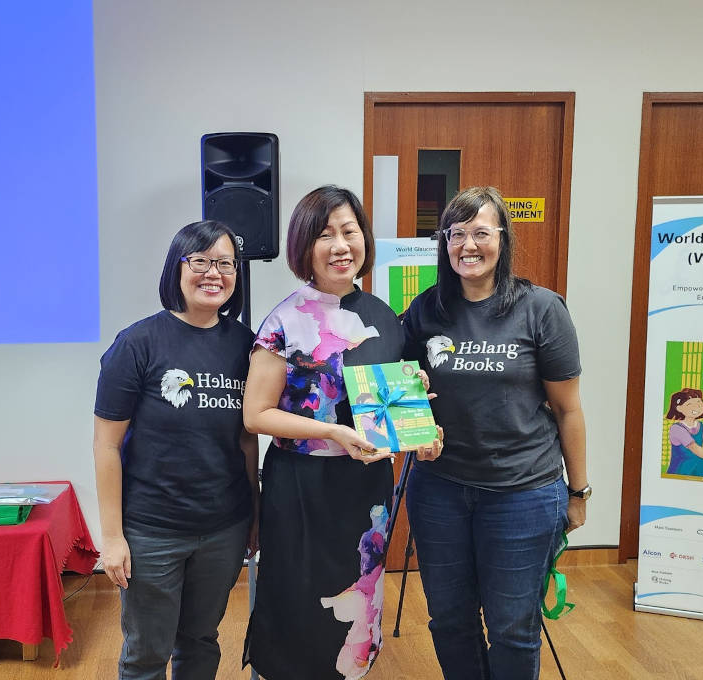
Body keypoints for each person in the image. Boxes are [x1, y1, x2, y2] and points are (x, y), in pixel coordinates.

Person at [241, 185, 441, 680]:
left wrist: (416, 407)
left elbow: (388, 400)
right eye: (325, 234)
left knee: (360, 595)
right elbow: (256, 415)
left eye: (349, 232)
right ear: (304, 246)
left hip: (366, 488)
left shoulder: (383, 316)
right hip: (301, 486)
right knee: (298, 597)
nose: (340, 246)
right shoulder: (284, 319)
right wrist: (332, 431)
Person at [402, 186, 588, 680]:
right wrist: (412, 407)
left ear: (502, 239)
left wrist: (579, 492)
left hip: (523, 493)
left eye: (481, 233)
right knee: (449, 621)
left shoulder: (541, 308)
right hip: (439, 490)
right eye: (456, 234)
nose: (468, 245)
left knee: (512, 628)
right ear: (444, 243)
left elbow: (568, 409)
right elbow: (401, 391)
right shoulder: (425, 310)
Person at [93, 220, 259, 679]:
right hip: (152, 531)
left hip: (224, 527)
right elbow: (106, 445)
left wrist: (255, 513)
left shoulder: (246, 346)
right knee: (147, 655)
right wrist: (112, 537)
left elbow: (247, 439)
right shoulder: (138, 343)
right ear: (177, 268)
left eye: (226, 263)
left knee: (200, 642)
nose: (214, 273)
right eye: (201, 261)